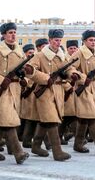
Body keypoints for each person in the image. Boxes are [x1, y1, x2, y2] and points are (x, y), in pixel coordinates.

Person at [25, 29, 80, 161]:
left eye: (60, 40)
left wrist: (72, 74)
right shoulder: (39, 56)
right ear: (49, 40)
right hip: (44, 91)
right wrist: (46, 78)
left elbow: (68, 68)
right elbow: (30, 71)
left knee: (47, 121)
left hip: (58, 90)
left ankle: (36, 146)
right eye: (56, 40)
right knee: (51, 120)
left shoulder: (62, 55)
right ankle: (57, 151)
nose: (58, 42)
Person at [0, 22, 30, 164]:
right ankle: (18, 153)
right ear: (3, 35)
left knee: (1, 123)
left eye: (14, 32)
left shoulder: (19, 51)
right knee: (9, 121)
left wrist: (24, 80)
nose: (13, 35)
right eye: (10, 32)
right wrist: (1, 81)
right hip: (1, 91)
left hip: (15, 90)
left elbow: (24, 72)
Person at [71, 29, 95, 155]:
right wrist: (82, 78)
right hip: (84, 88)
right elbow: (70, 67)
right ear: (84, 41)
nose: (93, 42)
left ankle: (78, 143)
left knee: (85, 118)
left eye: (94, 40)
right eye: (90, 40)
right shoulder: (79, 54)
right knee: (93, 115)